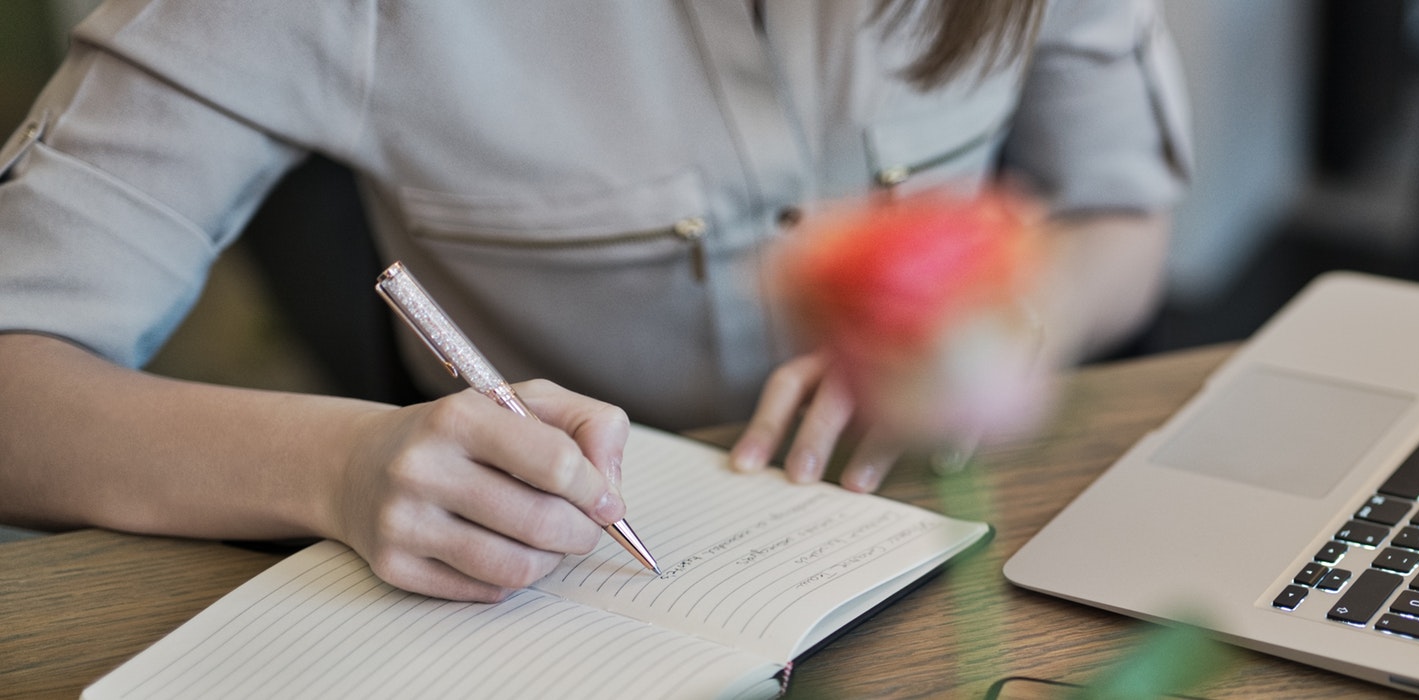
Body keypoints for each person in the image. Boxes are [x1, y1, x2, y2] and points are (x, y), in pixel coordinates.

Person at [0, 0, 1190, 602]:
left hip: (956, 549)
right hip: (563, 599)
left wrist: (1013, 325)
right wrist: (336, 466)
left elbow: (1124, 216)